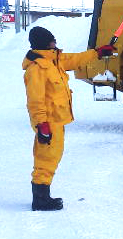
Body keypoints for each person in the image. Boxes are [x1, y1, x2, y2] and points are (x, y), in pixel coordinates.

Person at [23, 25, 115, 211]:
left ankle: (43, 195)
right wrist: (42, 124)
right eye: (52, 40)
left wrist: (97, 52)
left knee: (52, 157)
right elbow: (35, 100)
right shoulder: (37, 68)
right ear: (44, 44)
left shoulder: (54, 60)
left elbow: (75, 59)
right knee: (45, 159)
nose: (55, 43)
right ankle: (40, 199)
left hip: (56, 120)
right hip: (48, 122)